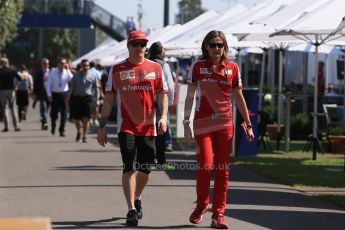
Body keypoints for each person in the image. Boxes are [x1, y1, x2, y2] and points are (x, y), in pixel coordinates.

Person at [183, 30, 254, 229]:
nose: (216, 49)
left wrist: (248, 124)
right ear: (206, 46)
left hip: (225, 123)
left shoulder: (232, 68)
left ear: (224, 47)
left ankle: (218, 214)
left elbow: (239, 98)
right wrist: (185, 122)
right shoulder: (197, 67)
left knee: (223, 171)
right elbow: (189, 96)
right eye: (213, 45)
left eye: (220, 45)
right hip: (203, 122)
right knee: (205, 165)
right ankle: (202, 204)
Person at [97, 30, 168, 227]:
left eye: (143, 44)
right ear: (128, 46)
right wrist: (102, 127)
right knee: (129, 166)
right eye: (135, 43)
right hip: (126, 125)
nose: (139, 47)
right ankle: (131, 210)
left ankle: (136, 197)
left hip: (148, 126)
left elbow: (162, 93)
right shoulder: (117, 69)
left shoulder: (155, 68)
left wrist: (163, 117)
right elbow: (109, 98)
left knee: (146, 169)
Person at [148, 41, 175, 164]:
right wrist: (169, 103)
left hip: (146, 104)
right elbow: (169, 86)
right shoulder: (164, 65)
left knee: (148, 131)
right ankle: (161, 160)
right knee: (161, 130)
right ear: (161, 52)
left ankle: (148, 158)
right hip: (160, 102)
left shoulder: (145, 63)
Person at [67, 59, 99, 143]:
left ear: (89, 66)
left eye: (87, 65)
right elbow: (72, 87)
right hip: (77, 98)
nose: (85, 67)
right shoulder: (76, 75)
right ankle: (79, 131)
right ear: (81, 66)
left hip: (88, 98)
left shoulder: (93, 75)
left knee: (86, 118)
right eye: (84, 65)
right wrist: (68, 97)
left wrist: (97, 100)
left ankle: (84, 135)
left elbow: (96, 88)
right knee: (76, 119)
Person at [45, 57, 73, 137]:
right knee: (54, 113)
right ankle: (53, 126)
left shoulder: (67, 72)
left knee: (64, 114)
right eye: (61, 63)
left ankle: (62, 130)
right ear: (58, 64)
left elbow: (72, 79)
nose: (63, 65)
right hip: (55, 94)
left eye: (64, 63)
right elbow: (48, 84)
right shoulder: (53, 72)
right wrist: (49, 95)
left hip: (64, 94)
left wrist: (68, 70)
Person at [0, 57, 21, 132]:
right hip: (11, 90)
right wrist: (16, 87)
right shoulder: (12, 70)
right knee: (13, 108)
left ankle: (6, 127)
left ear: (1, 63)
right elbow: (20, 78)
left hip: (2, 91)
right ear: (7, 63)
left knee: (5, 109)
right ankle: (16, 126)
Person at [34, 58, 50, 130]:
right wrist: (35, 93)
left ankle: (43, 122)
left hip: (50, 94)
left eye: (47, 63)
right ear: (42, 64)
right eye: (44, 64)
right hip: (41, 93)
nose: (46, 65)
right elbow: (36, 84)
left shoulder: (52, 72)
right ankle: (45, 122)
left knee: (47, 109)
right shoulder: (39, 73)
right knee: (44, 107)